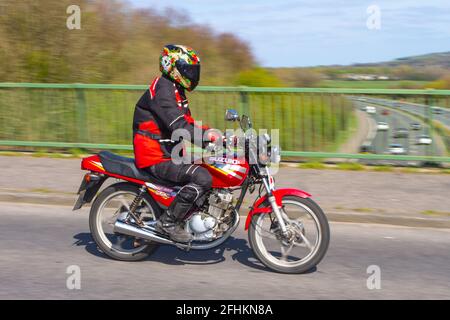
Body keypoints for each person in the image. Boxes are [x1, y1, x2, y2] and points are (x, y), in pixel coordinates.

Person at [132, 44, 215, 243]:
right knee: (202, 178)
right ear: (172, 67)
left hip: (169, 151)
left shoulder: (175, 90)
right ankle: (168, 223)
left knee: (212, 166)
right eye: (188, 70)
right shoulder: (163, 89)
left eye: (193, 71)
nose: (192, 75)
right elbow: (178, 126)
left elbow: (188, 122)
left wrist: (216, 134)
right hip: (154, 155)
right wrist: (207, 139)